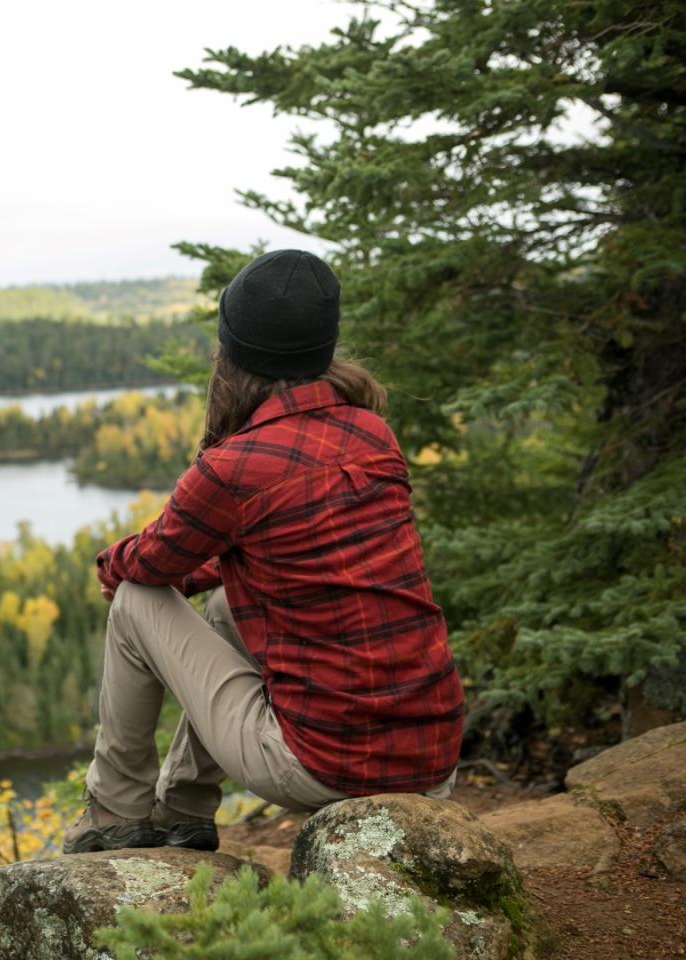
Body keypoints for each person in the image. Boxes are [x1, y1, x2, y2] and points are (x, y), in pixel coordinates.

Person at [63, 249, 464, 854]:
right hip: (433, 759)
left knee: (137, 601)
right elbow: (285, 548)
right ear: (324, 346)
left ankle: (115, 813)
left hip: (326, 767)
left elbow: (148, 564)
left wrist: (109, 568)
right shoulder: (371, 432)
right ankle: (183, 811)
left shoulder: (235, 467)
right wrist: (206, 574)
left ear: (231, 353)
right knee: (227, 605)